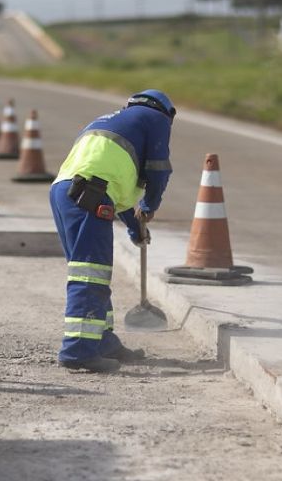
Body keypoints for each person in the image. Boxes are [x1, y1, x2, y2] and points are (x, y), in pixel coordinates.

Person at [49, 89, 175, 373]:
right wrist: (150, 204)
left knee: (90, 269)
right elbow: (159, 170)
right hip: (90, 195)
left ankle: (102, 341)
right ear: (168, 113)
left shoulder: (109, 121)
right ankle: (78, 350)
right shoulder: (156, 119)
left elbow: (109, 180)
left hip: (67, 192)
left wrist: (134, 227)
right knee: (90, 273)